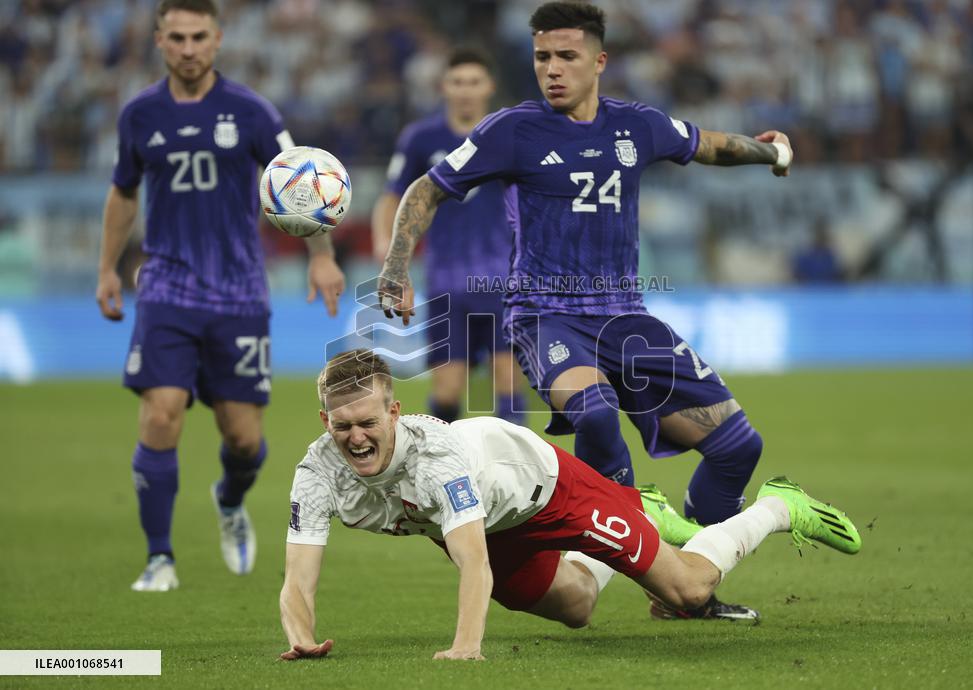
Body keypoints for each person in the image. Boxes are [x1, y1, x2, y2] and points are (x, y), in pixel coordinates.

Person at [376, 1, 794, 619]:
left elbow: (708, 145)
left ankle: (684, 581)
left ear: (599, 61)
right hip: (545, 316)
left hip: (626, 319)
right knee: (595, 414)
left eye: (567, 56)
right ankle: (657, 567)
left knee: (738, 448)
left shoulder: (636, 125)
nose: (552, 69)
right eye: (542, 57)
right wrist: (395, 265)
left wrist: (769, 153)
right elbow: (426, 189)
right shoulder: (510, 130)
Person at [278, 349, 860, 661]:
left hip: (548, 488)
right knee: (577, 609)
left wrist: (465, 648)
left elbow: (473, 562)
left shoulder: (437, 459)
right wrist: (301, 636)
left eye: (368, 423)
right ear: (325, 421)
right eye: (343, 426)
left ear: (395, 412)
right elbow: (298, 578)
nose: (356, 438)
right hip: (490, 521)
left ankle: (777, 507)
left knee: (686, 591)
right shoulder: (317, 473)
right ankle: (642, 511)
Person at [95, 0, 345, 592]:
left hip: (238, 293)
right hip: (167, 285)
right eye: (177, 37)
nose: (188, 48)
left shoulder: (251, 112)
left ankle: (229, 499)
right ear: (159, 40)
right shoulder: (139, 115)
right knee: (161, 413)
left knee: (244, 440)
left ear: (218, 39)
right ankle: (159, 558)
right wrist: (106, 268)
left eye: (198, 37)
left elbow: (300, 179)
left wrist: (322, 256)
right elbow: (124, 192)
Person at [371, 46, 527, 426]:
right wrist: (386, 247)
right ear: (444, 87)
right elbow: (393, 197)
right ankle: (446, 457)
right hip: (446, 283)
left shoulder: (509, 137)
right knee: (447, 393)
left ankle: (513, 464)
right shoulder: (421, 139)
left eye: (474, 82)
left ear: (489, 86)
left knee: (508, 386)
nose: (465, 90)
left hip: (503, 281)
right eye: (458, 82)